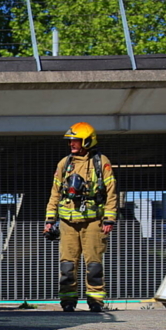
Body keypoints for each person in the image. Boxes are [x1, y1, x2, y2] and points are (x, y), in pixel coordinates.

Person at [44, 123, 118, 313]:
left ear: (87, 140)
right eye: (70, 141)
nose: (71, 144)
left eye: (75, 140)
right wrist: (49, 220)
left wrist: (109, 219)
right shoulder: (64, 164)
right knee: (67, 265)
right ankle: (68, 302)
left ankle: (95, 301)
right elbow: (55, 193)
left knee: (93, 265)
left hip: (93, 222)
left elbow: (111, 192)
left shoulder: (101, 162)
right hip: (68, 223)